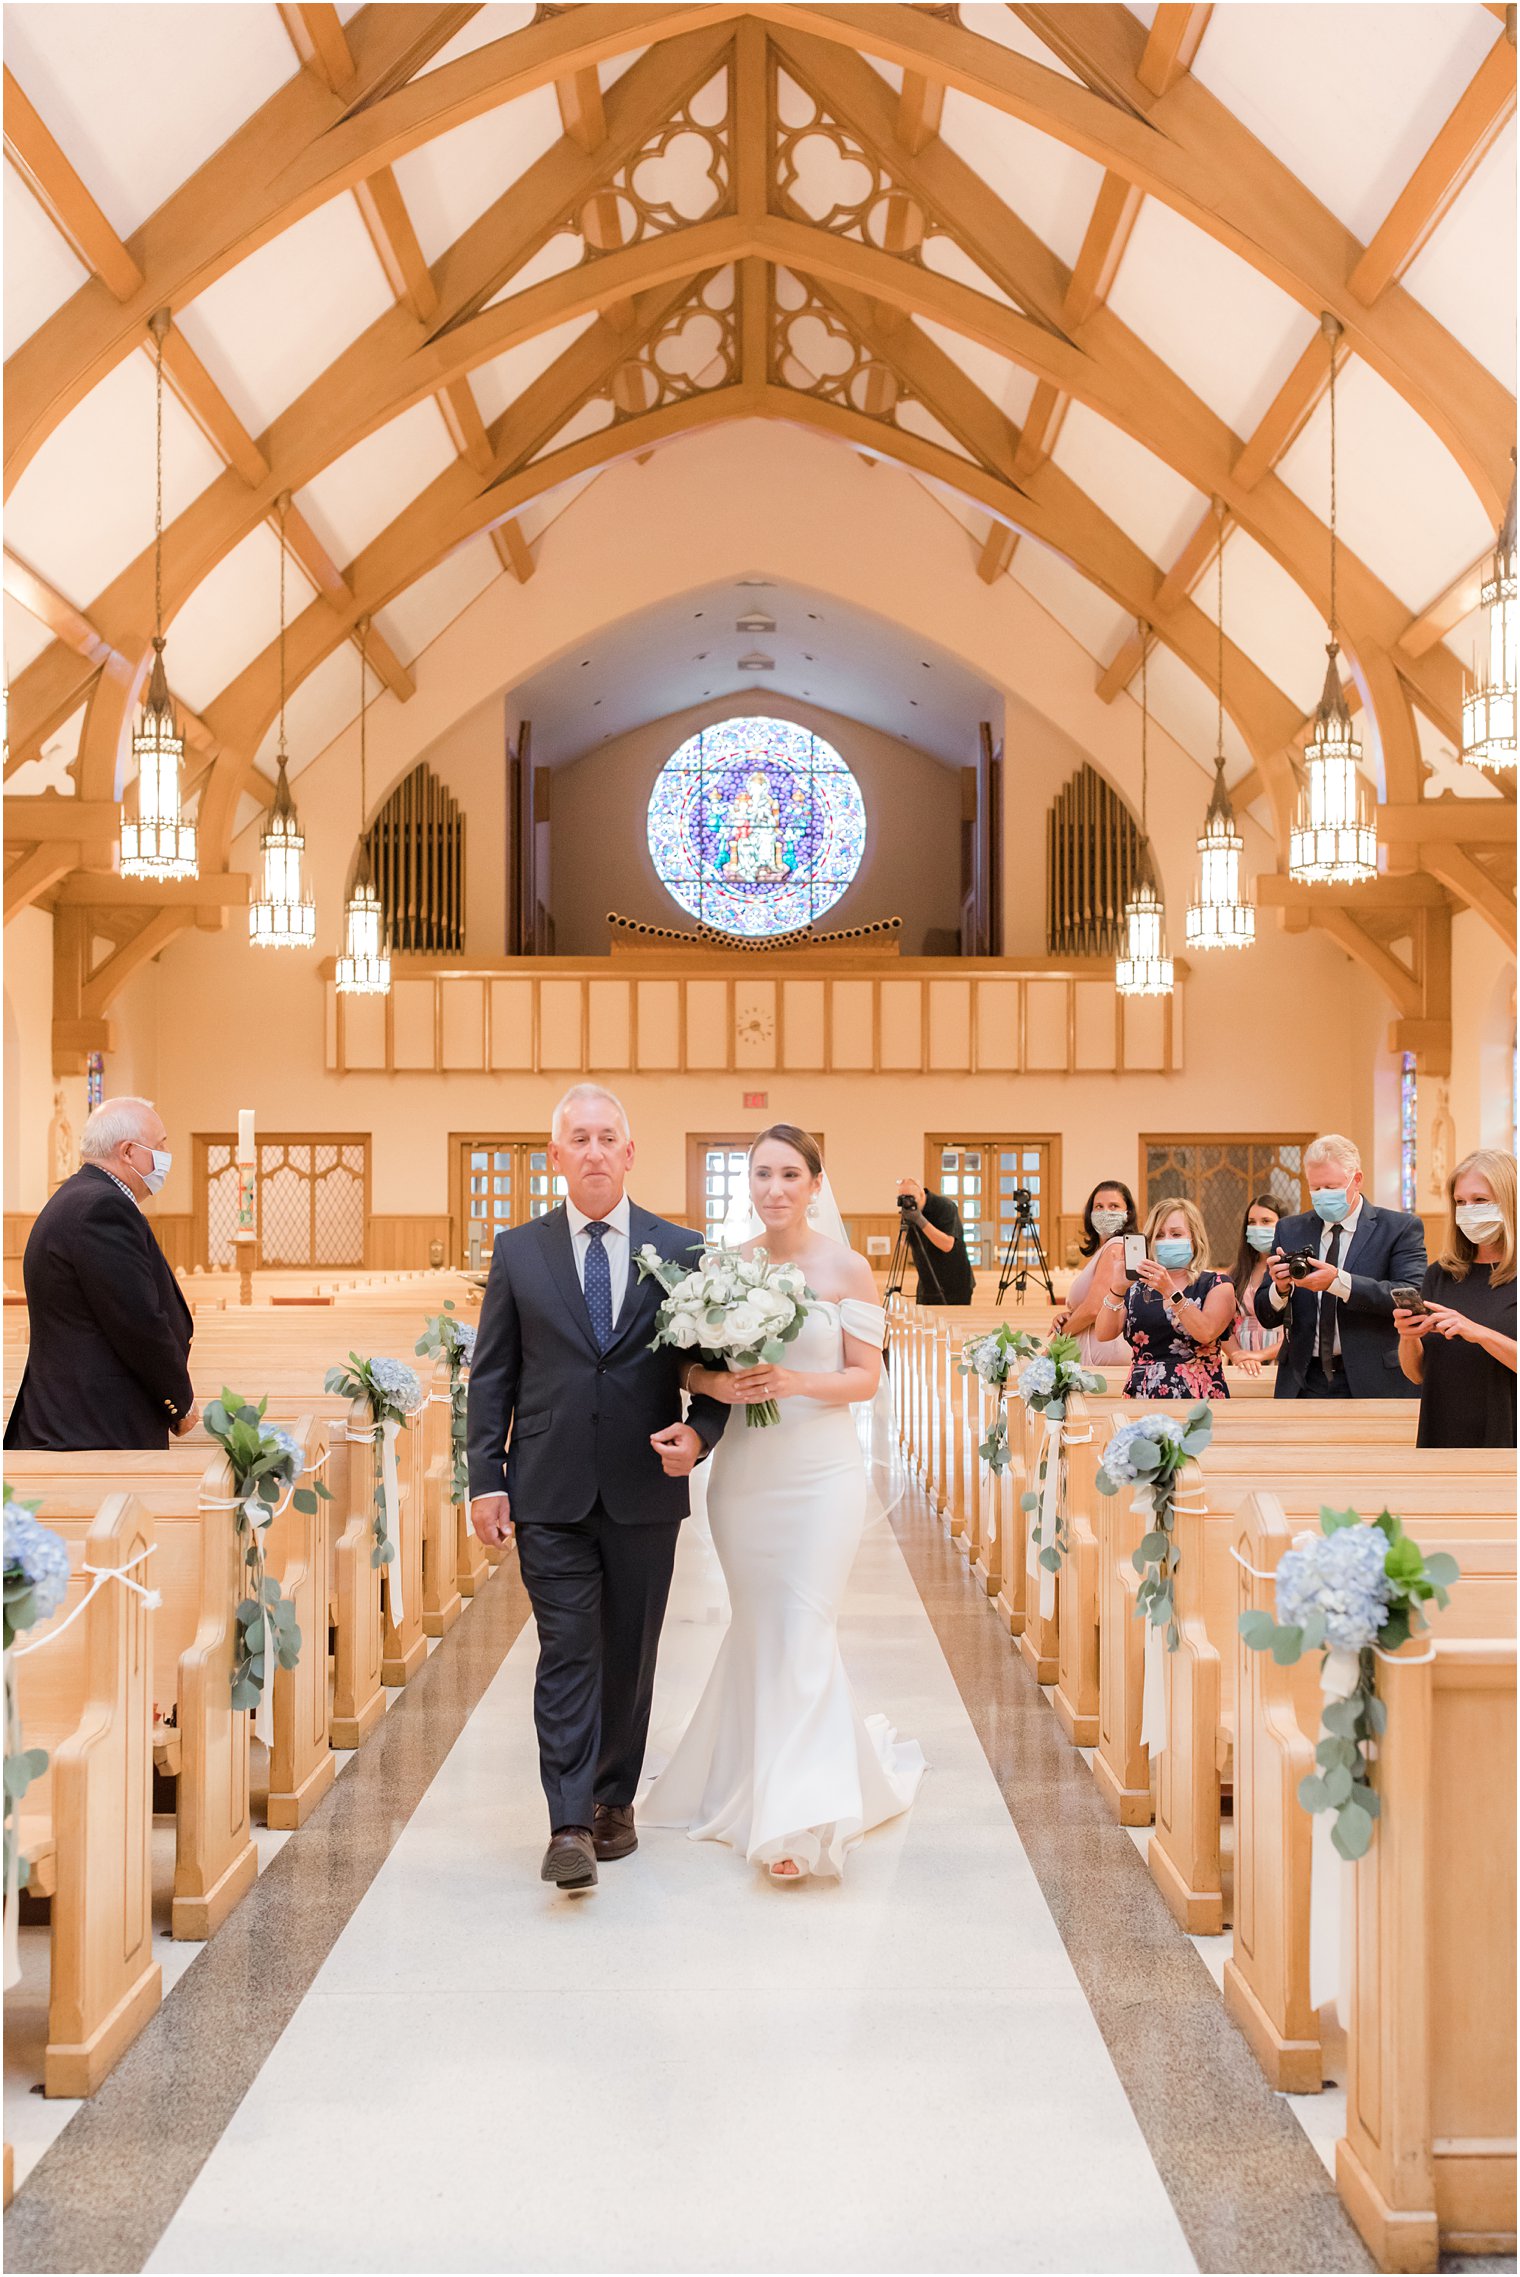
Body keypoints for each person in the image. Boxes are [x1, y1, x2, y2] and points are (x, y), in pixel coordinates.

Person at [465, 1084, 730, 1894]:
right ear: (556, 1157)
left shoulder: (679, 1250)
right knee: (567, 1652)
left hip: (645, 1485)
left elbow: (710, 1370)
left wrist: (702, 1435)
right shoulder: (519, 1251)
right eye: (576, 1138)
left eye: (605, 1136)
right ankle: (570, 1821)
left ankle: (616, 1796)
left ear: (629, 1151)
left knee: (631, 1653)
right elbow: (493, 1374)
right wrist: (485, 1476)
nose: (591, 1150)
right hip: (548, 1487)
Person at [644, 1125, 925, 1881]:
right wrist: (716, 1385)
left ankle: (796, 1814)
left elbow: (867, 1377)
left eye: (790, 1174)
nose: (775, 1187)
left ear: (814, 1182)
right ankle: (750, 1774)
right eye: (761, 1173)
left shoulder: (849, 1268)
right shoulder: (722, 1269)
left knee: (804, 1621)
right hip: (748, 1476)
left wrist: (799, 1383)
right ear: (749, 1184)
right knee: (765, 1624)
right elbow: (687, 1371)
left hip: (822, 1472)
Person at [4, 1095, 196, 1452]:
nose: (167, 1153)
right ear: (127, 1152)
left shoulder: (78, 1197)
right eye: (160, 1145)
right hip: (94, 1427)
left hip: (79, 1420)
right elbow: (137, 1320)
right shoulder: (102, 1208)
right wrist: (178, 1401)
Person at [1255, 1132, 1425, 1400]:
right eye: (1316, 1189)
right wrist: (1279, 1288)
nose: (1323, 1196)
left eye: (1331, 1187)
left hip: (1373, 1378)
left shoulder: (1398, 1228)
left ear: (1356, 1180)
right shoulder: (1290, 1229)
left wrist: (1338, 1283)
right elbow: (1266, 1315)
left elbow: (1410, 1296)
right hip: (1302, 1379)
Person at [1395, 1148, 1516, 1448]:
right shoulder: (1441, 1274)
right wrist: (1408, 1337)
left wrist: (1477, 1332)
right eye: (1460, 1202)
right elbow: (1417, 1375)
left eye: (1480, 1200)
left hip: (1506, 1432)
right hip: (1442, 1431)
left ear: (1510, 1202)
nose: (1468, 1209)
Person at [1094, 1196, 1235, 1400]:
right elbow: (1104, 1333)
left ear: (1194, 1239)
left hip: (1198, 1394)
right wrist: (1116, 1289)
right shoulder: (1137, 1289)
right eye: (1159, 1235)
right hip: (1143, 1392)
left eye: (1176, 1234)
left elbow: (1206, 1332)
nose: (1167, 1240)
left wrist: (1170, 1291)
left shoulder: (1217, 1284)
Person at [1051, 1179, 1136, 1368]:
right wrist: (1069, 1315)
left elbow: (1094, 1308)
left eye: (1114, 1206)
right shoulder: (1106, 1248)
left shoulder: (1116, 1246)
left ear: (1127, 1213)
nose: (1105, 1212)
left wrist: (1055, 1343)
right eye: (1099, 1206)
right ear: (1090, 1214)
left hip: (1102, 1352)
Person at [1225, 1194, 1285, 1376]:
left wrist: (1259, 1355)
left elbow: (1302, 1327)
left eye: (1266, 1221)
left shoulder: (1292, 1271)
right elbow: (1223, 1326)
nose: (1258, 1228)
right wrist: (1238, 1356)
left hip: (1282, 1362)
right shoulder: (1235, 1272)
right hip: (1242, 1366)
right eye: (1252, 1222)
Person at [894, 1174, 975, 1305]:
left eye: (910, 1198)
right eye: (902, 1199)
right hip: (927, 1285)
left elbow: (947, 1245)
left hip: (954, 1284)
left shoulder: (945, 1207)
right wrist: (906, 1221)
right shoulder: (910, 1213)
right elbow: (904, 1244)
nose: (907, 1203)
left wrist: (920, 1220)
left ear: (921, 1194)